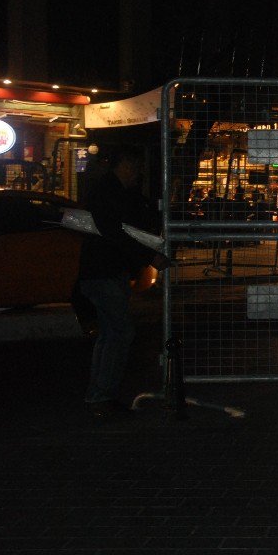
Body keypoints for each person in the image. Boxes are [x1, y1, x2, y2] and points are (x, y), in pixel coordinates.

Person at [77, 144, 171, 417]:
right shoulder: (110, 194)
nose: (138, 174)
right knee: (118, 332)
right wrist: (149, 257)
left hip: (102, 271)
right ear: (125, 166)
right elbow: (118, 234)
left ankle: (99, 395)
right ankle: (100, 396)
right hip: (104, 271)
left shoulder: (108, 191)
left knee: (111, 333)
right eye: (136, 169)